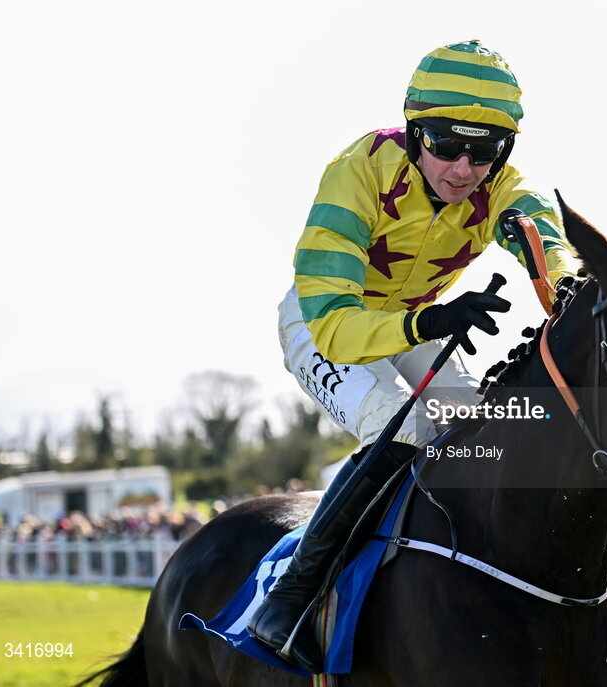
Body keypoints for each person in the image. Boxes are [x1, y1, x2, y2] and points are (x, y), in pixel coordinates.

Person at [247, 40, 578, 669]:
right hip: (325, 318)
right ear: (412, 130)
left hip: (418, 322)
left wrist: (565, 287)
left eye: (484, 152)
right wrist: (431, 317)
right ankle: (293, 595)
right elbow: (339, 327)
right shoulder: (359, 168)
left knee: (481, 437)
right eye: (447, 145)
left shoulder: (501, 185)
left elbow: (550, 245)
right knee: (400, 427)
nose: (462, 169)